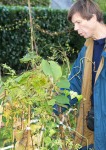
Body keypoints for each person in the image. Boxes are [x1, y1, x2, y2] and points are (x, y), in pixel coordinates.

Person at [66, 0, 106, 149]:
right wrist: (54, 106)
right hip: (93, 124)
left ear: (93, 17)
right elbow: (74, 83)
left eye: (78, 22)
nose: (76, 28)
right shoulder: (87, 49)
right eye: (74, 24)